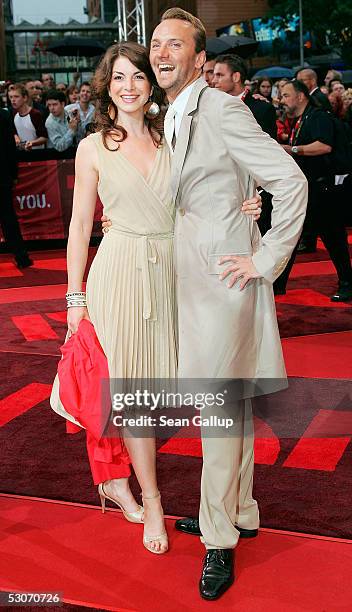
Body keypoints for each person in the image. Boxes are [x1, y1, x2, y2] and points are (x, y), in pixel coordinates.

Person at [104, 8, 307, 600]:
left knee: (218, 411)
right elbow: (217, 182)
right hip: (191, 281)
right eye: (157, 43)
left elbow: (289, 181)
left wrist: (265, 257)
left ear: (198, 59)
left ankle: (218, 539)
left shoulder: (220, 107)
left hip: (222, 284)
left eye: (176, 45)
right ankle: (239, 510)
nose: (163, 52)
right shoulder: (175, 114)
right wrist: (243, 200)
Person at [52, 38, 263, 561]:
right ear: (108, 86)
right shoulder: (94, 146)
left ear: (152, 85)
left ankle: (221, 500)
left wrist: (246, 204)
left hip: (172, 273)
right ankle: (151, 500)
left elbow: (206, 192)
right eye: (119, 77)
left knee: (172, 387)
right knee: (136, 398)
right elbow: (80, 226)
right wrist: (75, 297)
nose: (128, 87)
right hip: (119, 274)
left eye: (138, 77)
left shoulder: (174, 138)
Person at [281, 79, 352, 301]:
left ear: (300, 96)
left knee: (333, 239)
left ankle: (347, 282)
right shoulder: (303, 119)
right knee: (291, 234)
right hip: (312, 188)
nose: (282, 100)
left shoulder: (318, 116)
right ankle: (277, 283)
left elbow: (324, 146)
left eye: (286, 95)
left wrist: (292, 149)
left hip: (325, 190)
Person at [212, 55, 277, 138]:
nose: (214, 80)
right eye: (214, 75)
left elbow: (268, 147)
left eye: (219, 75)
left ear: (236, 77)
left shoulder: (262, 109)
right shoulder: (212, 107)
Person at [0, 108, 33, 268]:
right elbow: (9, 148)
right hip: (2, 176)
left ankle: (22, 257)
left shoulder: (4, 115)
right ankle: (22, 258)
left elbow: (9, 147)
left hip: (2, 177)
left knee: (8, 219)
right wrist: (13, 174)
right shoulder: (4, 114)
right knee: (8, 219)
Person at [8, 83, 47, 150]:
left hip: (38, 154)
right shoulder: (13, 113)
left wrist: (31, 143)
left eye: (16, 96)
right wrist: (16, 137)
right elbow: (14, 132)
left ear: (25, 98)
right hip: (21, 154)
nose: (13, 100)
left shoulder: (35, 114)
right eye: (11, 97)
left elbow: (44, 137)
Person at [45, 89, 79, 154]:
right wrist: (72, 131)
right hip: (58, 157)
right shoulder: (49, 123)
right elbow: (59, 146)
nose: (51, 108)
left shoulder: (69, 113)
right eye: (49, 105)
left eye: (55, 104)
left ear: (63, 104)